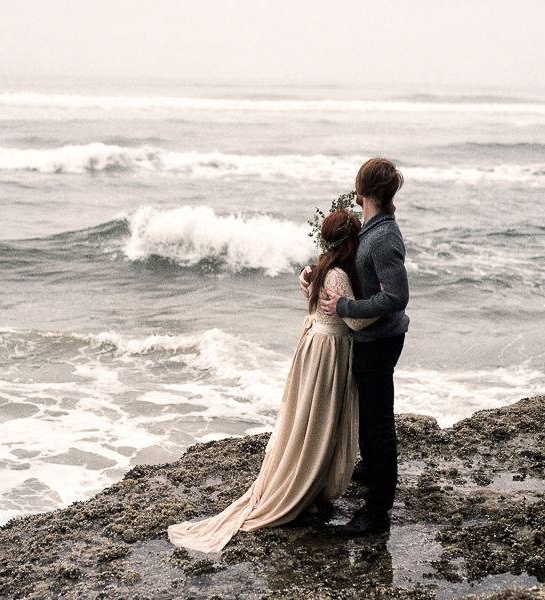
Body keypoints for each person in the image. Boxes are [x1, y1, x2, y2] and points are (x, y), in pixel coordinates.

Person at [167, 210, 377, 553]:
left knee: (308, 418)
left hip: (315, 344)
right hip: (329, 350)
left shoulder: (318, 267)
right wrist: (383, 308)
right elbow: (353, 322)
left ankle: (311, 485)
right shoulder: (336, 275)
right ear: (351, 243)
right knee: (320, 423)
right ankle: (307, 485)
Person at [299, 157, 410, 537]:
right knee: (367, 414)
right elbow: (352, 269)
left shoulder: (383, 238)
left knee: (377, 424)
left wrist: (345, 307)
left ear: (361, 189)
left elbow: (397, 297)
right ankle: (371, 469)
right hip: (368, 338)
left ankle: (377, 513)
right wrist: (316, 274)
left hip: (381, 341)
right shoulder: (370, 228)